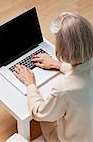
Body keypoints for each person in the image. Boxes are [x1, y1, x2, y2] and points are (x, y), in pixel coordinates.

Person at [14, 12, 93, 142]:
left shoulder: (64, 90)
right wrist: (58, 65)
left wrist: (30, 84)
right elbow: (85, 71)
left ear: (63, 48)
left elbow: (39, 113)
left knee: (45, 119)